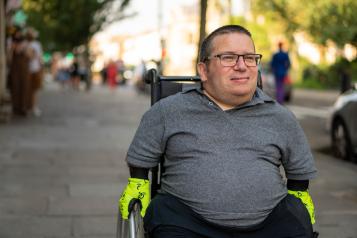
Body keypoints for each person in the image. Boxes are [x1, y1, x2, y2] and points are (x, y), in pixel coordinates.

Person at [119, 25, 317, 238]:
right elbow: (140, 161)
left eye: (249, 57)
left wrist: (299, 197)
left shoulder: (280, 117)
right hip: (185, 224)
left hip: (269, 226)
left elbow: (299, 174)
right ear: (203, 70)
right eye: (229, 57)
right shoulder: (168, 112)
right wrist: (138, 182)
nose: (242, 66)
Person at [26, 28, 43, 116]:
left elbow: (39, 57)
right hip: (28, 70)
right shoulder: (29, 44)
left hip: (34, 69)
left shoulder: (36, 44)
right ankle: (30, 107)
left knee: (33, 90)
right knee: (30, 90)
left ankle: (33, 107)